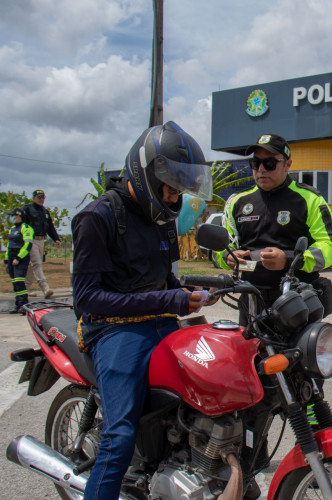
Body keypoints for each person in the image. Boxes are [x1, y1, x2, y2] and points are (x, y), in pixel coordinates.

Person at [72, 121, 215, 499]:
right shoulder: (97, 218)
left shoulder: (163, 220)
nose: (174, 199)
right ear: (145, 172)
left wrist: (191, 292)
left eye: (180, 191)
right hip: (113, 330)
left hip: (161, 322)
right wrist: (171, 300)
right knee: (119, 436)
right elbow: (88, 299)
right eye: (170, 189)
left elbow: (165, 283)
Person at [216, 133, 332, 323]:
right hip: (251, 299)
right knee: (249, 352)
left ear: (287, 164)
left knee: (298, 352)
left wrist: (289, 260)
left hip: (296, 301)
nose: (261, 170)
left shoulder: (310, 200)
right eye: (255, 163)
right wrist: (228, 258)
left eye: (269, 164)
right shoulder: (237, 202)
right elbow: (222, 246)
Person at [23, 189, 62, 298]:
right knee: (37, 264)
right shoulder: (28, 209)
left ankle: (24, 289)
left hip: (41, 240)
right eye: (39, 197)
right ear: (33, 198)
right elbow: (22, 224)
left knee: (32, 266)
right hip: (31, 240)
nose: (41, 199)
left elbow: (50, 226)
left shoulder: (44, 211)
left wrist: (56, 238)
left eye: (43, 197)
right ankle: (45, 288)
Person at [5, 208, 34, 313]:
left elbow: (28, 245)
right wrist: (7, 260)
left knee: (19, 282)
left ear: (19, 216)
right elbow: (9, 245)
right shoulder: (12, 229)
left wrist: (19, 257)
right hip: (11, 257)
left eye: (14, 215)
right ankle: (17, 305)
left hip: (21, 258)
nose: (12, 218)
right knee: (14, 283)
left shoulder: (26, 228)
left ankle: (24, 305)